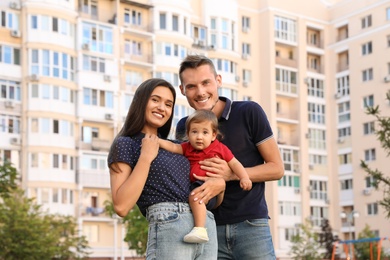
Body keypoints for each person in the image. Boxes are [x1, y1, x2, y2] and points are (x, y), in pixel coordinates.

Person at [176, 55, 285, 259]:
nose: (200, 92)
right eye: (191, 86)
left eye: (206, 82)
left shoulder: (248, 112)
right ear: (182, 90)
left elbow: (276, 168)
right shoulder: (184, 126)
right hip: (206, 228)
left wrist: (230, 175)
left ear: (218, 80)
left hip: (251, 226)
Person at [107, 78, 222, 260]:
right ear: (140, 101)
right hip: (170, 228)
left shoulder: (180, 146)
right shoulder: (126, 144)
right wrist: (146, 157)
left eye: (168, 104)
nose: (162, 107)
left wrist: (220, 185)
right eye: (155, 100)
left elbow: (211, 195)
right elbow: (121, 206)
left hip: (205, 228)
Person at [158, 109, 252, 244]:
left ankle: (200, 229)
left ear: (213, 135)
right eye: (194, 132)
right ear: (188, 134)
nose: (199, 137)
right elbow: (173, 147)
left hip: (209, 187)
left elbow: (235, 163)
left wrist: (244, 177)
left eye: (205, 132)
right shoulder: (188, 147)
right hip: (196, 185)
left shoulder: (220, 148)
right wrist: (159, 142)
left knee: (195, 197)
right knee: (191, 195)